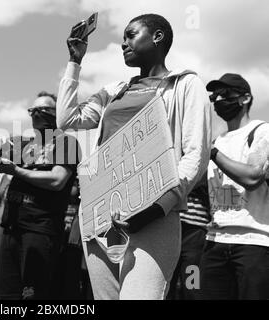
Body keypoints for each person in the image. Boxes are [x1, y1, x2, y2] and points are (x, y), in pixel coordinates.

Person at [57, 13, 211, 299]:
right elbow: (67, 119)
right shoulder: (113, 92)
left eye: (131, 34)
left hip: (152, 216)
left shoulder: (186, 85)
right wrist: (75, 62)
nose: (123, 42)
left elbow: (195, 155)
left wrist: (156, 208)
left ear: (157, 37)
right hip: (101, 219)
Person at [0, 91, 81, 299]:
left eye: (42, 110)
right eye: (32, 110)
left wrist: (16, 171)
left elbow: (57, 181)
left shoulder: (66, 143)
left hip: (39, 230)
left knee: (33, 295)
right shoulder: (24, 144)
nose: (35, 114)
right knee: (6, 296)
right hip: (12, 227)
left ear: (56, 114)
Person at [200, 73, 269, 300]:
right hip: (214, 242)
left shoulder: (261, 131)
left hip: (253, 243)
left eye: (226, 94)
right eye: (215, 95)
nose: (219, 100)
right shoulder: (216, 141)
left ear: (245, 98)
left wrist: (212, 153)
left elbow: (253, 177)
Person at [167, 173, 210, 300]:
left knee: (192, 285)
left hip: (195, 233)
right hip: (170, 228)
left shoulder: (204, 158)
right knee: (166, 283)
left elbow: (200, 179)